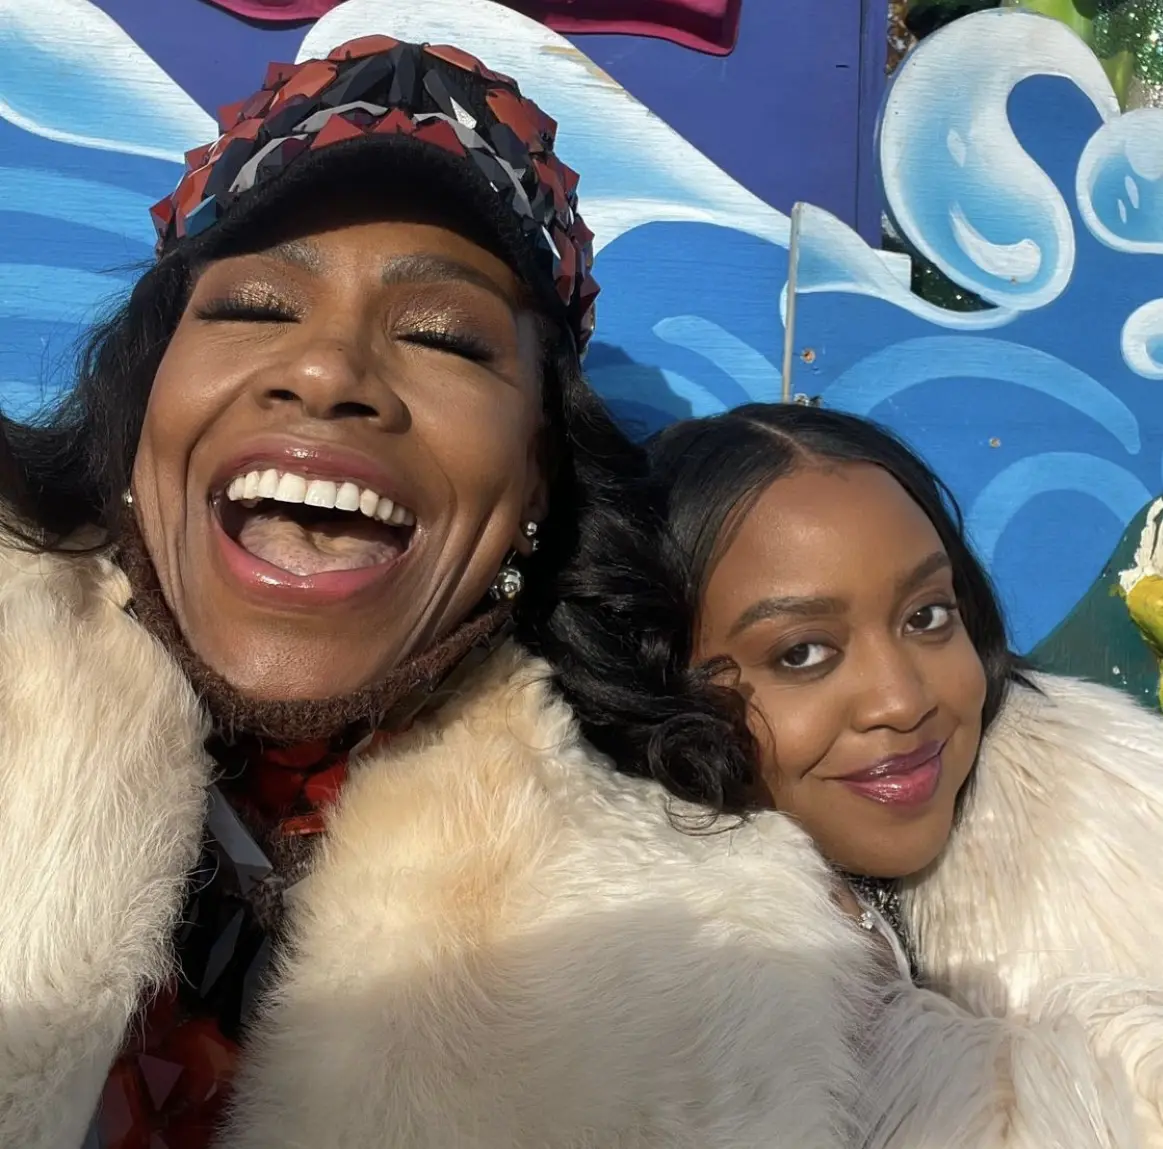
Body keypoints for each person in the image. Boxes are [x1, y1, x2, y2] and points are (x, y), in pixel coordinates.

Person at [0, 39, 879, 1149]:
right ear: (142, 408)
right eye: (257, 308)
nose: (326, 372)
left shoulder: (708, 955)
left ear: (537, 478)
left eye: (440, 336)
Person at [649, 401, 1163, 1147]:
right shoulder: (639, 1012)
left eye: (926, 616)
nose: (901, 699)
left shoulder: (1121, 817)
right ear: (663, 682)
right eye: (801, 653)